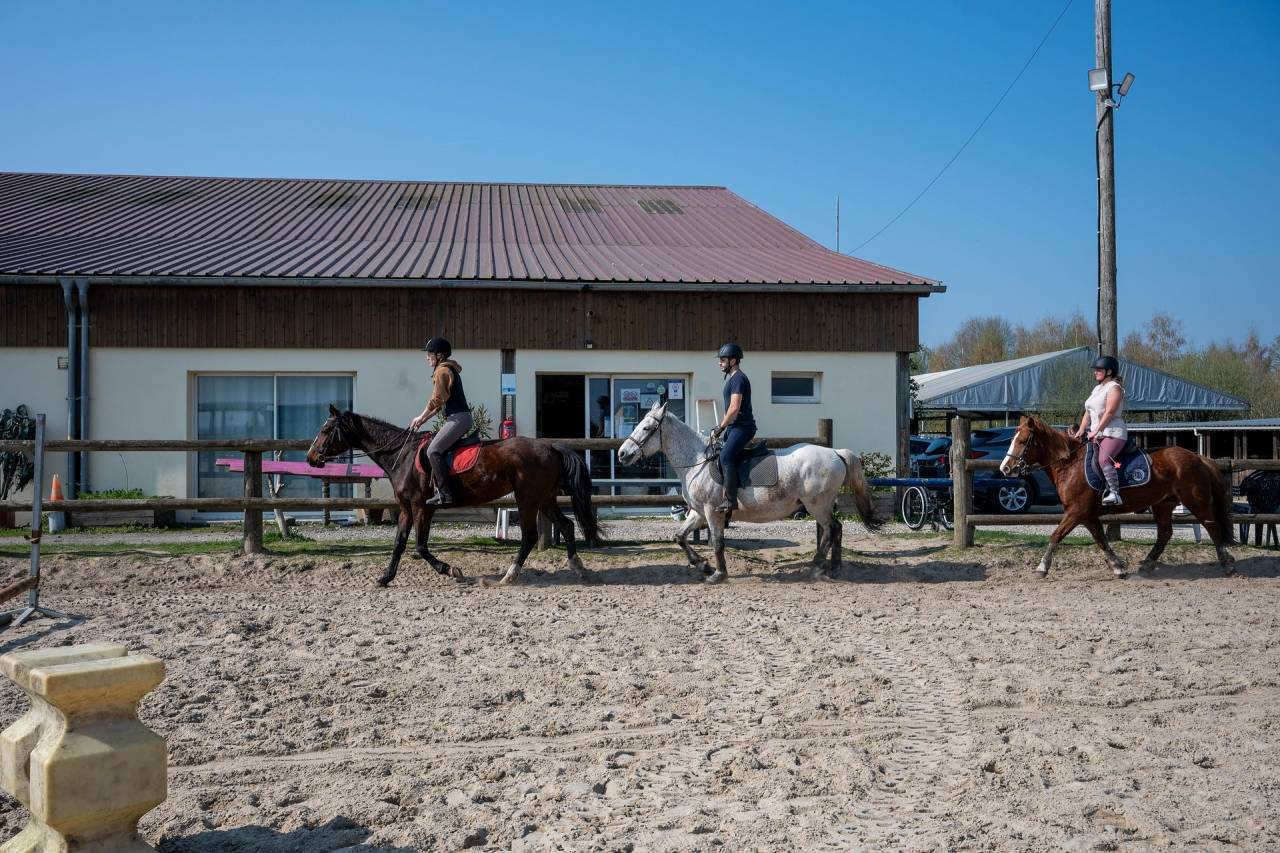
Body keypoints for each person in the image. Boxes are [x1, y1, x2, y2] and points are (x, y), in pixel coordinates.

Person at [409, 337, 472, 506]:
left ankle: (445, 494)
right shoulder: (445, 369)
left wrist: (421, 417)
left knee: (433, 451)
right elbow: (438, 406)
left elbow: (436, 401)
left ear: (439, 356)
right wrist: (422, 419)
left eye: (429, 354)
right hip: (458, 418)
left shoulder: (442, 371)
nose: (427, 357)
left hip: (458, 418)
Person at [1068, 355, 1128, 506]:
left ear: (1109, 372)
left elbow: (1109, 412)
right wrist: (1081, 430)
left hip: (1113, 433)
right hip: (1096, 434)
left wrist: (1096, 431)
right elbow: (1088, 412)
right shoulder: (1097, 389)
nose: (1095, 372)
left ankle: (1115, 493)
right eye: (1095, 370)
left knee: (1104, 459)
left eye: (1099, 370)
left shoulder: (1115, 388)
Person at [710, 343, 756, 511]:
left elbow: (734, 408)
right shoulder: (733, 379)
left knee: (726, 458)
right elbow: (729, 409)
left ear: (733, 360)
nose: (719, 363)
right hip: (734, 427)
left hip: (742, 427)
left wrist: (720, 428)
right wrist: (722, 426)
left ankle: (731, 501)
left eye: (722, 360)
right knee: (721, 456)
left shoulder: (738, 379)